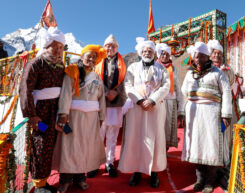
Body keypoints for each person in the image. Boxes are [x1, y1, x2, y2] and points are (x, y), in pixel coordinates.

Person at [53, 45, 107, 193]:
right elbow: (66, 93)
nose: (91, 59)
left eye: (94, 57)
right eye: (88, 56)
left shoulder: (97, 77)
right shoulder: (72, 71)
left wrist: (101, 116)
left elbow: (101, 98)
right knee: (70, 148)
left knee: (85, 148)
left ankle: (80, 179)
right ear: (82, 56)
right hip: (74, 116)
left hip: (91, 118)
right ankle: (64, 181)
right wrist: (63, 114)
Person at [118, 37, 170, 188]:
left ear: (154, 53)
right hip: (137, 108)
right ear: (140, 52)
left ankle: (154, 173)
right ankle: (136, 171)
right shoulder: (133, 67)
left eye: (150, 51)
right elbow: (128, 85)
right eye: (145, 51)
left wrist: (152, 100)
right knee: (136, 138)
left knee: (156, 139)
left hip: (155, 108)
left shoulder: (162, 68)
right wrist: (140, 101)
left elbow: (165, 87)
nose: (147, 53)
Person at [19, 27, 65, 193]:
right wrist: (32, 116)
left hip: (54, 111)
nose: (59, 50)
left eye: (61, 47)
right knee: (40, 143)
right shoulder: (35, 64)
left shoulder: (60, 66)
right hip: (40, 114)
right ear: (47, 46)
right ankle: (38, 184)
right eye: (55, 46)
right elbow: (25, 90)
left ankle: (44, 182)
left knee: (50, 144)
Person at [181, 42, 232, 193]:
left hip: (212, 114)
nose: (198, 59)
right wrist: (182, 112)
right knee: (196, 146)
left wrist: (226, 114)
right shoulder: (190, 74)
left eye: (201, 56)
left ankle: (210, 181)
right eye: (196, 56)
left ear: (207, 56)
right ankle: (200, 179)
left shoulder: (218, 73)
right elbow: (184, 93)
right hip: (194, 114)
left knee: (211, 146)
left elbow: (227, 92)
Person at [91, 34, 127, 178]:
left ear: (117, 48)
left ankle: (109, 163)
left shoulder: (124, 63)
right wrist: (106, 92)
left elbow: (126, 80)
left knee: (112, 134)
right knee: (99, 134)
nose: (109, 48)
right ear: (104, 47)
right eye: (107, 46)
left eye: (112, 46)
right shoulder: (98, 61)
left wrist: (116, 91)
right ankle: (94, 163)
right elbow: (95, 79)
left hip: (116, 102)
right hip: (101, 101)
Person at [207, 40, 235, 190]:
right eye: (214, 53)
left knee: (224, 139)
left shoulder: (227, 69)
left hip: (224, 108)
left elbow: (230, 84)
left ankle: (222, 172)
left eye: (219, 53)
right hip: (210, 110)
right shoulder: (205, 68)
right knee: (210, 139)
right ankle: (208, 173)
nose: (217, 55)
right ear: (210, 55)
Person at [155, 43, 185, 149]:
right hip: (156, 101)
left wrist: (181, 109)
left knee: (167, 128)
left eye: (167, 54)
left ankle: (165, 151)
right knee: (157, 127)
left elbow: (178, 87)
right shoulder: (154, 67)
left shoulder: (174, 69)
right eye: (162, 54)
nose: (164, 56)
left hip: (170, 102)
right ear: (159, 54)